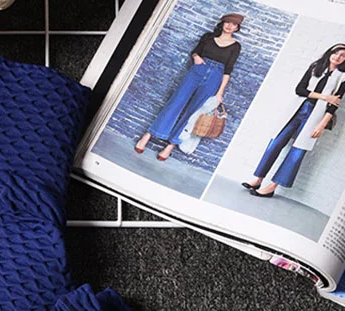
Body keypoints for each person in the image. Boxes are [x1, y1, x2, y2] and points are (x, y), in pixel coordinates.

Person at [135, 13, 244, 161]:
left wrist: (220, 92)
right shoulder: (208, 37)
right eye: (228, 22)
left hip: (215, 78)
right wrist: (196, 57)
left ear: (237, 28)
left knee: (193, 112)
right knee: (175, 103)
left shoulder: (236, 46)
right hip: (197, 71)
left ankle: (171, 145)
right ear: (222, 23)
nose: (230, 26)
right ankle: (148, 135)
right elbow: (196, 51)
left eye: (234, 24)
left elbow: (228, 70)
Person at [242, 43, 345, 197]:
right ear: (329, 52)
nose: (338, 57)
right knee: (276, 142)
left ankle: (272, 187)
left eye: (343, 55)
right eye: (336, 53)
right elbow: (300, 89)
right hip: (297, 109)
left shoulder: (342, 77)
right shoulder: (315, 67)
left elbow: (333, 105)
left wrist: (321, 125)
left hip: (316, 115)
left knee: (298, 150)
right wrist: (325, 97)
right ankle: (258, 179)